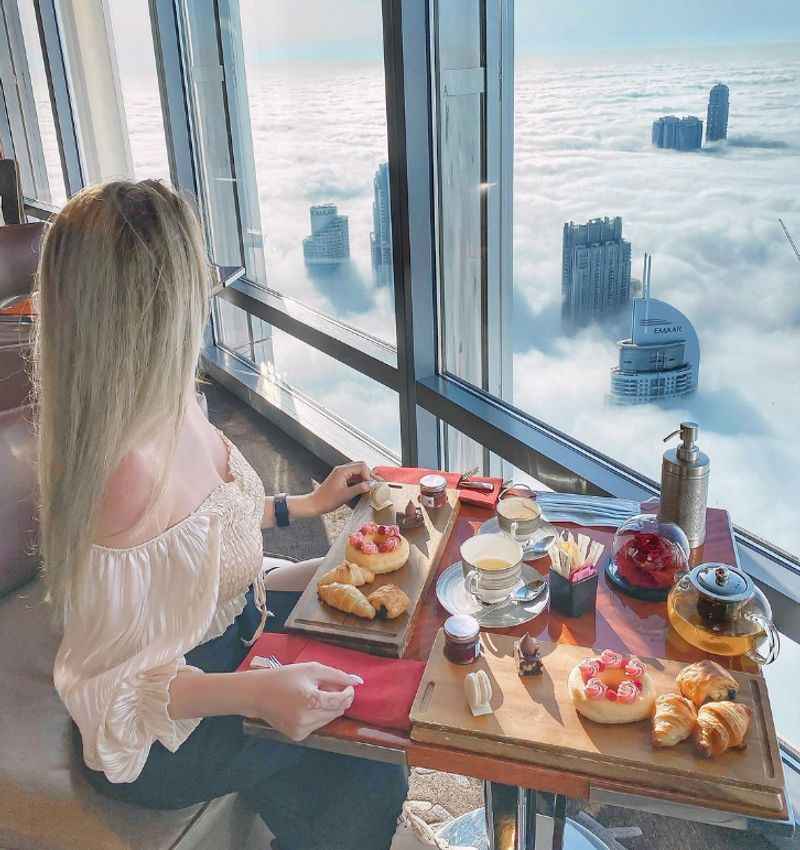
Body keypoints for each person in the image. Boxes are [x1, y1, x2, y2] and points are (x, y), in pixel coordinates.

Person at [34, 180, 408, 850]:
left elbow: (200, 533)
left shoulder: (176, 399)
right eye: (194, 278)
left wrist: (310, 507)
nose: (208, 293)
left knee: (378, 681)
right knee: (365, 767)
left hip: (231, 631)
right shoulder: (120, 475)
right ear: (149, 308)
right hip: (162, 727)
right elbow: (119, 688)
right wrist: (256, 697)